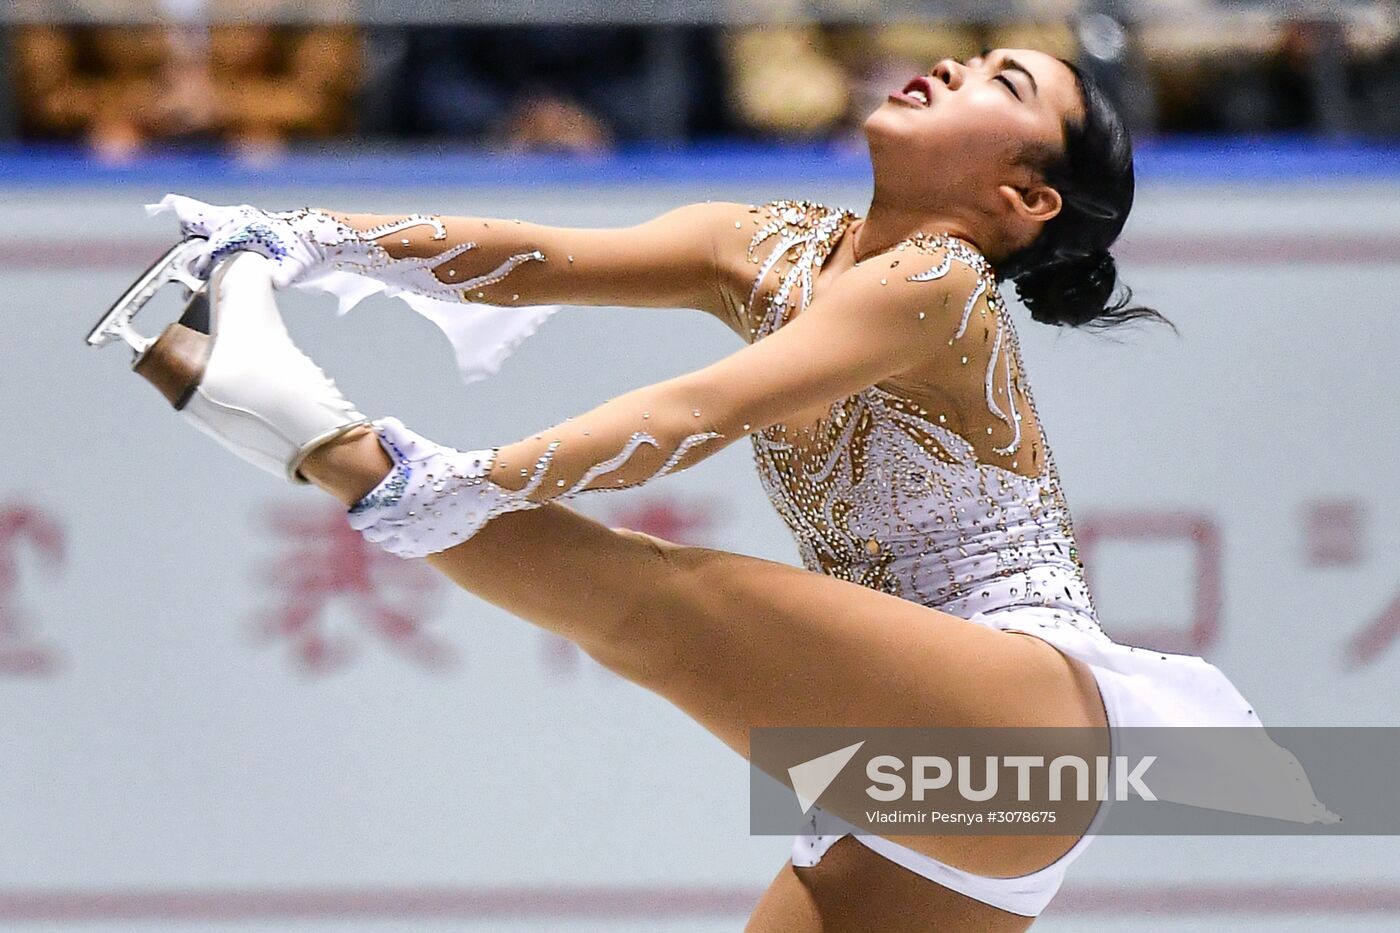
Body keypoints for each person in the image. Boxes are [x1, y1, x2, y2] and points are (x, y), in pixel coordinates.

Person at [93, 48, 1334, 931]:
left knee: (657, 601)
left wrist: (470, 481)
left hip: (1014, 726)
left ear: (1019, 199)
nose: (953, 66)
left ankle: (320, 438)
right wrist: (296, 233)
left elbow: (695, 413)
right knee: (649, 606)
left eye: (1002, 86)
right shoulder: (762, 243)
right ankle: (298, 426)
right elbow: (529, 257)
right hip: (944, 798)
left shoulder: (938, 283)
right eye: (972, 56)